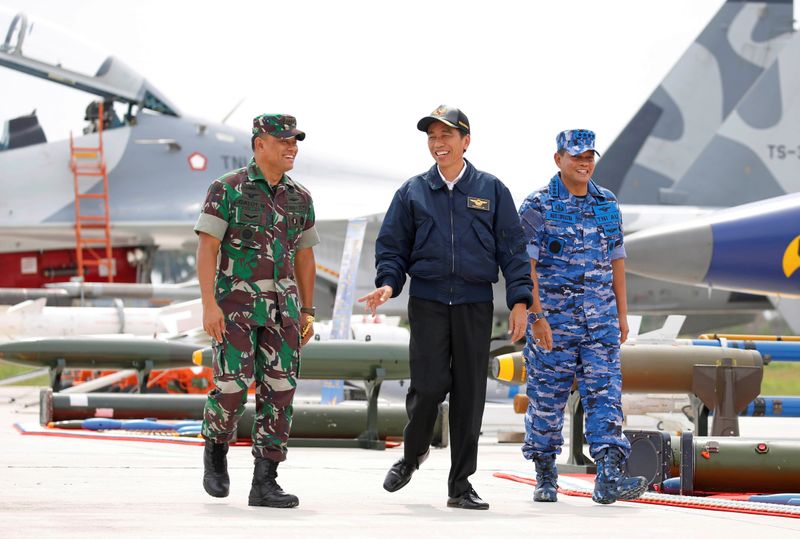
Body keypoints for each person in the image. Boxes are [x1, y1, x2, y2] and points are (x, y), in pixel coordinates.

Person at [358, 105, 533, 510]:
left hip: (474, 302)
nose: (438, 144)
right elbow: (392, 247)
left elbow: (513, 249)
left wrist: (521, 301)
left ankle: (460, 486)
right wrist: (388, 284)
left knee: (470, 395)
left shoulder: (491, 190)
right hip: (429, 300)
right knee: (429, 385)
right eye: (432, 137)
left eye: (446, 136)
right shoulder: (412, 192)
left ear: (465, 141)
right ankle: (413, 453)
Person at [194, 113, 319, 508]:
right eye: (283, 141)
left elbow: (306, 257)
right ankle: (216, 447)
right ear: (259, 143)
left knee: (280, 392)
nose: (291, 147)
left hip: (284, 312)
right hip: (233, 309)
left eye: (295, 141)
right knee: (232, 388)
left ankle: (265, 481)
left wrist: (308, 311)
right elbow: (207, 248)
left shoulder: (301, 197)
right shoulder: (226, 189)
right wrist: (208, 305)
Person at [518, 129, 646, 505]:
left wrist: (622, 315)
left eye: (590, 156)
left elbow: (617, 261)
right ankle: (545, 472)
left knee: (606, 397)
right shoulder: (537, 205)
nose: (585, 163)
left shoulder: (607, 203)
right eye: (577, 156)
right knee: (546, 400)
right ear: (558, 160)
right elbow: (527, 269)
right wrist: (536, 316)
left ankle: (608, 476)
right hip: (553, 324)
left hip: (600, 323)